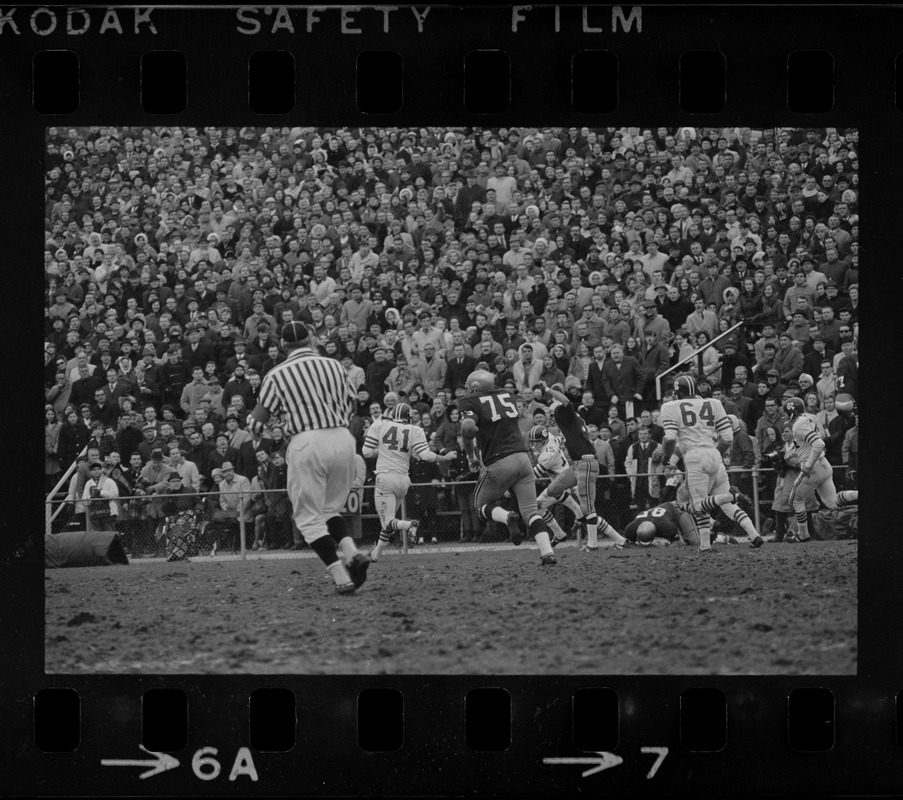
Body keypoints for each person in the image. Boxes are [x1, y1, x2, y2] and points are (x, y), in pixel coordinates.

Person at [246, 320, 369, 594]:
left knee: (307, 518)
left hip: (307, 441)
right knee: (328, 509)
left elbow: (256, 423)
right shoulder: (335, 365)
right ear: (310, 339)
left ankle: (341, 576)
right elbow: (353, 403)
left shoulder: (277, 374)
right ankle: (351, 553)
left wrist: (273, 421)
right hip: (342, 438)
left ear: (282, 345)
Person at [457, 369, 558, 565]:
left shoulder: (469, 400)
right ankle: (548, 553)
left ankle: (507, 517)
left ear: (475, 388)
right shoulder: (508, 394)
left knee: (479, 507)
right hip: (523, 458)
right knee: (530, 512)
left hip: (499, 461)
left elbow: (467, 429)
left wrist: (471, 456)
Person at [660, 374, 763, 552]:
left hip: (695, 458)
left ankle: (731, 496)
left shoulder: (671, 406)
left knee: (697, 504)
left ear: (678, 392)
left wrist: (666, 458)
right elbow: (728, 438)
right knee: (721, 506)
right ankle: (750, 535)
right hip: (716, 458)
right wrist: (715, 454)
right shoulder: (714, 404)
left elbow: (669, 439)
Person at [535, 381, 625, 550]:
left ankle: (593, 545)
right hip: (576, 465)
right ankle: (582, 517)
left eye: (552, 415)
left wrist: (547, 390)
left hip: (586, 463)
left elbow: (565, 401)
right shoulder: (571, 421)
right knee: (553, 491)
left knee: (588, 507)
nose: (551, 419)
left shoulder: (566, 412)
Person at [362, 402, 456, 561]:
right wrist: (445, 457)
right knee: (389, 524)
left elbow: (367, 452)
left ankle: (409, 524)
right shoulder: (416, 430)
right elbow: (426, 455)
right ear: (408, 417)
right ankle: (376, 554)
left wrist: (385, 451)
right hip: (404, 480)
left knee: (389, 521)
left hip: (385, 478)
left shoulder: (379, 425)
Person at [783, 396, 858, 544]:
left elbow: (818, 444)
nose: (785, 416)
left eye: (786, 412)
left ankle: (803, 536)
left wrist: (808, 465)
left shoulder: (799, 425)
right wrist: (793, 453)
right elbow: (808, 443)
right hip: (824, 464)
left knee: (795, 500)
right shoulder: (808, 418)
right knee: (832, 502)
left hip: (814, 467)